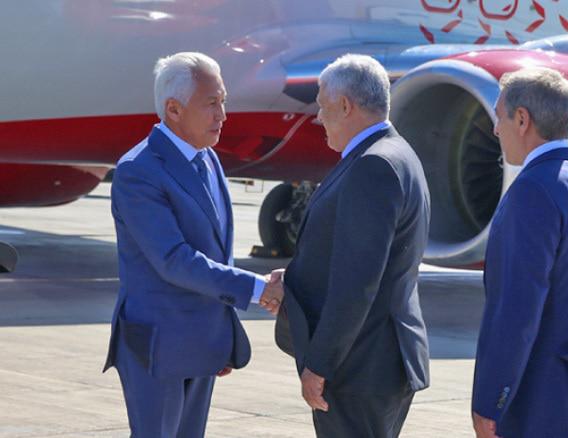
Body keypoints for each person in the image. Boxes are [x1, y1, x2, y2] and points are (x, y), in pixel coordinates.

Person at [103, 52, 283, 437]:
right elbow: (174, 259)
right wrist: (259, 289)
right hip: (158, 347)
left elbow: (216, 251)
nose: (223, 115)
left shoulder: (208, 159)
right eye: (212, 103)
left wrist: (219, 336)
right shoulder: (139, 171)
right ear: (174, 109)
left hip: (201, 344)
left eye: (224, 101)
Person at [272, 54, 431, 438]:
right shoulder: (395, 153)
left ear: (346, 105)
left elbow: (358, 282)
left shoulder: (373, 165)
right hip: (376, 361)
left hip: (360, 367)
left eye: (323, 106)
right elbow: (361, 256)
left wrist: (320, 364)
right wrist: (293, 279)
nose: (318, 117)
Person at [471, 67, 568, 438]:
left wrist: (492, 400)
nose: (496, 130)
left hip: (538, 403)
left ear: (522, 119)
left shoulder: (533, 190)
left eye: (500, 117)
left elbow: (516, 310)